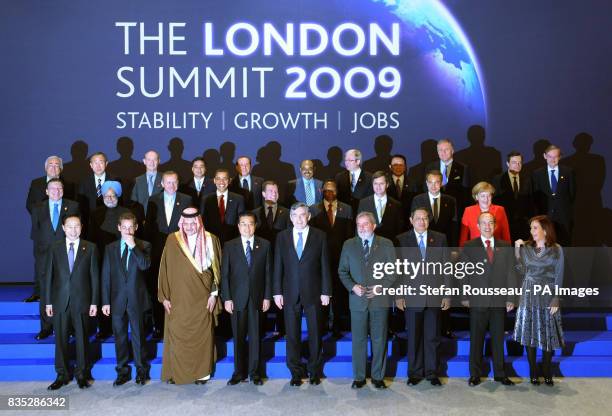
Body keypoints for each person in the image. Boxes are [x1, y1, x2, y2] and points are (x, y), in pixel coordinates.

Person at [157, 207, 222, 385]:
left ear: (199, 222)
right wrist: (164, 297)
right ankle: (175, 372)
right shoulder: (172, 240)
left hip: (203, 297)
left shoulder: (211, 239)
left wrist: (214, 295)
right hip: (178, 298)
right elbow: (164, 269)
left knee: (202, 337)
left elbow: (217, 271)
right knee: (177, 334)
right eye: (186, 223)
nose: (189, 226)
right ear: (181, 223)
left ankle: (202, 374)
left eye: (193, 223)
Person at [273, 202, 332, 386]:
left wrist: (326, 291)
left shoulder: (320, 236)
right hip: (289, 292)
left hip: (314, 292)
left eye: (302, 215)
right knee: (292, 334)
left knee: (315, 333)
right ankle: (296, 372)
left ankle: (314, 371)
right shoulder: (282, 237)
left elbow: (325, 266)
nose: (299, 219)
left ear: (309, 216)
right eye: (295, 215)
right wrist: (276, 292)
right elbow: (278, 266)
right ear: (290, 218)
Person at [338, 212, 396, 389]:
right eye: (359, 224)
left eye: (365, 224)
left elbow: (393, 271)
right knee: (359, 340)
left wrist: (381, 287)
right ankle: (359, 377)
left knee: (379, 340)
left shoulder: (386, 244)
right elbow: (342, 271)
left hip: (379, 300)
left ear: (374, 225)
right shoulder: (349, 245)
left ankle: (378, 377)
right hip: (357, 301)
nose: (362, 228)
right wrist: (353, 286)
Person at [395, 207, 451, 386]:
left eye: (425, 218)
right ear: (411, 220)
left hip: (434, 296)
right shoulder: (402, 240)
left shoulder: (440, 238)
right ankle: (415, 373)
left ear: (429, 220)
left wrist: (447, 294)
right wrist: (398, 295)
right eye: (418, 218)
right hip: (411, 297)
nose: (421, 221)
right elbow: (398, 271)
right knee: (414, 337)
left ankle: (432, 373)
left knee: (432, 337)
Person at [460, 212, 516, 387]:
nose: (487, 226)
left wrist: (511, 297)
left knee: (498, 340)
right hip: (477, 300)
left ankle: (500, 374)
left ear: (495, 225)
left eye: (490, 222)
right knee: (476, 340)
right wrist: (465, 295)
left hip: (499, 301)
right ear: (477, 226)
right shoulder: (469, 246)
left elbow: (511, 273)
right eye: (483, 223)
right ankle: (475, 374)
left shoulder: (506, 246)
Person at [44, 215, 99, 390]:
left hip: (82, 301)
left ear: (81, 228)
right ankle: (62, 374)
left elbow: (95, 278)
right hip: (60, 301)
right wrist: (47, 302)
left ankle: (82, 374)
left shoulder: (90, 248)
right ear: (63, 228)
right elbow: (48, 278)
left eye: (76, 226)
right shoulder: (54, 248)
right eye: (70, 226)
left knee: (82, 339)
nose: (73, 230)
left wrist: (94, 302)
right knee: (60, 339)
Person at [221, 212, 273, 386]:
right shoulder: (229, 246)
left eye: (250, 224)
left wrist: (267, 296)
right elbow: (225, 275)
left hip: (257, 298)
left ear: (255, 225)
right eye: (243, 224)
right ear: (238, 226)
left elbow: (268, 273)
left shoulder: (265, 245)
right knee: (239, 337)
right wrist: (227, 298)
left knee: (256, 336)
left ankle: (255, 373)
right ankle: (238, 372)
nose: (247, 227)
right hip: (236, 299)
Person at [101, 212, 152, 386]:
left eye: (131, 227)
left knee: (138, 337)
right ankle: (122, 371)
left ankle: (141, 371)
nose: (128, 231)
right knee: (120, 337)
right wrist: (105, 301)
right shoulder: (110, 248)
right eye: (124, 227)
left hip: (137, 299)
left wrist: (133, 246)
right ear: (118, 228)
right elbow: (106, 275)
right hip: (117, 300)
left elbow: (144, 266)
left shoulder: (144, 245)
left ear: (136, 228)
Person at [513, 215, 565, 386]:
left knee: (547, 333)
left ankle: (547, 371)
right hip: (528, 294)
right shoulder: (527, 247)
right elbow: (521, 270)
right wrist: (516, 251)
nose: (531, 231)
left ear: (545, 230)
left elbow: (559, 274)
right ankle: (533, 371)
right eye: (531, 228)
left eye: (535, 228)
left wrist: (556, 298)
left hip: (547, 294)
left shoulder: (557, 249)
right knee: (530, 333)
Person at [145, 171, 192, 339]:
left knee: (179, 290)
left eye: (174, 182)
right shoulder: (153, 200)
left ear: (178, 184)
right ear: (162, 184)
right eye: (168, 182)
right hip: (158, 253)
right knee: (160, 289)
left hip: (180, 252)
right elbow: (148, 229)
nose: (171, 185)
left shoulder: (187, 200)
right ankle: (159, 327)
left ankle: (179, 326)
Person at [30, 179, 80, 339]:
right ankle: (46, 326)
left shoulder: (73, 206)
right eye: (52, 188)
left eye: (59, 188)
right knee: (46, 292)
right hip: (44, 256)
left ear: (63, 190)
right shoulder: (37, 208)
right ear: (46, 191)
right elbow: (36, 233)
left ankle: (70, 327)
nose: (56, 191)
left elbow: (75, 229)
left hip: (67, 254)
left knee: (69, 289)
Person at [25, 156, 73, 302]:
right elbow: (30, 205)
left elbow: (72, 206)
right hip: (42, 231)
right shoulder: (36, 183)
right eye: (50, 165)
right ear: (45, 168)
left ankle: (63, 292)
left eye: (57, 165)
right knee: (41, 264)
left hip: (63, 231)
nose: (53, 167)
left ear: (61, 168)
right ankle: (39, 292)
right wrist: (44, 218)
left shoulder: (69, 185)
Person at [309, 180, 354, 334]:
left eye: (333, 190)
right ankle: (322, 325)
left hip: (341, 258)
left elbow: (349, 235)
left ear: (337, 192)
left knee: (339, 293)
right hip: (320, 259)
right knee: (322, 292)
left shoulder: (346, 209)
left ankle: (337, 325)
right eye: (327, 190)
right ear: (322, 191)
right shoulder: (314, 209)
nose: (329, 193)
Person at [89, 181, 132, 339]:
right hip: (102, 260)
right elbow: (91, 238)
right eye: (107, 195)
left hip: (124, 259)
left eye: (113, 195)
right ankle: (104, 328)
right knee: (104, 293)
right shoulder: (95, 214)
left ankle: (122, 327)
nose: (110, 198)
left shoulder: (127, 212)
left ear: (118, 196)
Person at [530, 145, 576, 246]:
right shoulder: (537, 174)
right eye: (550, 156)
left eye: (555, 156)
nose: (552, 159)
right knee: (546, 245)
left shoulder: (568, 172)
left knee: (565, 245)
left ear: (560, 157)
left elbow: (572, 195)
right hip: (545, 217)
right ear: (544, 156)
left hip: (564, 217)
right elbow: (535, 197)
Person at [492, 151, 533, 242]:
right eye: (514, 162)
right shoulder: (498, 179)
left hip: (523, 226)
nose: (517, 165)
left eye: (519, 162)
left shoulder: (527, 179)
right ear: (507, 163)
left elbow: (531, 201)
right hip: (505, 223)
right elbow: (495, 202)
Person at [411, 170, 458, 247]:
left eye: (436, 182)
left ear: (441, 183)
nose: (433, 186)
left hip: (445, 244)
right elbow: (414, 223)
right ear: (426, 183)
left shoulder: (451, 200)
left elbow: (454, 226)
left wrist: (454, 248)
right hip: (424, 243)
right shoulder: (418, 200)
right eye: (430, 182)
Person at [77, 152, 119, 234]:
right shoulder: (84, 182)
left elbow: (120, 204)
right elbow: (81, 205)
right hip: (89, 225)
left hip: (111, 224)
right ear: (91, 165)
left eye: (101, 162)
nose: (98, 166)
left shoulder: (115, 180)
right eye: (95, 163)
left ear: (106, 164)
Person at [201, 168, 245, 245]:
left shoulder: (238, 199)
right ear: (214, 181)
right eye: (218, 179)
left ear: (229, 180)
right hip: (212, 242)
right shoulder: (206, 199)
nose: (221, 182)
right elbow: (203, 222)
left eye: (224, 179)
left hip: (233, 242)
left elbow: (242, 221)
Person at [459, 181, 511, 247]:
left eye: (488, 196)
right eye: (482, 196)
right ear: (476, 197)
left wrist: (508, 252)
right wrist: (462, 253)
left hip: (497, 251)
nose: (486, 199)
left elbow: (506, 234)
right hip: (475, 251)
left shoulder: (500, 210)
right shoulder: (468, 211)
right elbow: (463, 238)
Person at [425, 139, 470, 213]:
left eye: (446, 149)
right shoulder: (430, 167)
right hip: (434, 208)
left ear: (452, 151)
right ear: (437, 152)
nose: (443, 152)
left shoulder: (463, 168)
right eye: (440, 150)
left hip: (455, 209)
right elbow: (425, 188)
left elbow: (466, 193)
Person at [357, 170, 405, 240]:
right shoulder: (364, 203)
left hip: (389, 245)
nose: (378, 187)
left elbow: (399, 229)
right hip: (369, 244)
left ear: (387, 185)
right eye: (375, 184)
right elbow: (358, 226)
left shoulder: (396, 205)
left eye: (381, 183)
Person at [252, 180, 291, 246]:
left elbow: (289, 235)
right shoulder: (254, 213)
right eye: (271, 191)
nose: (274, 194)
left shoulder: (287, 213)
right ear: (263, 194)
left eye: (276, 191)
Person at [335, 149, 373, 213]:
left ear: (358, 161)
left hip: (363, 214)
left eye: (350, 160)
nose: (346, 163)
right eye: (346, 160)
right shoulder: (339, 177)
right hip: (344, 214)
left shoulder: (369, 177)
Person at [131, 150, 163, 215]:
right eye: (149, 160)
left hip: (160, 219)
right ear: (144, 161)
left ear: (159, 161)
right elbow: (133, 202)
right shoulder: (137, 180)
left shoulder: (166, 179)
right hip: (142, 220)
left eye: (155, 159)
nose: (152, 162)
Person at [387, 154, 418, 220]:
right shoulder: (384, 183)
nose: (398, 167)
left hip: (407, 222)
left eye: (401, 165)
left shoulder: (413, 184)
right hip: (389, 220)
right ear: (390, 167)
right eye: (395, 165)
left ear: (405, 167)